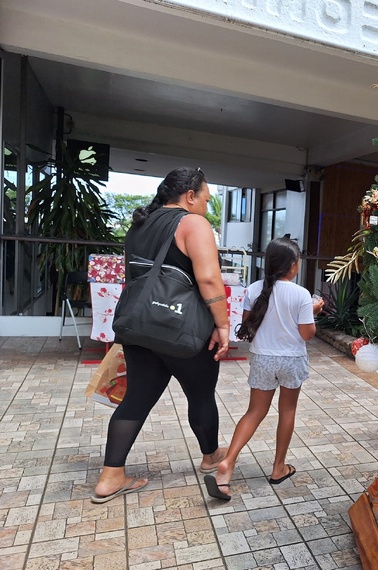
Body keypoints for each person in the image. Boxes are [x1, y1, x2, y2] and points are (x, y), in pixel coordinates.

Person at [92, 167, 230, 503]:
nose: (206, 208)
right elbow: (209, 280)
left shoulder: (140, 224)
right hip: (181, 328)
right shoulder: (193, 223)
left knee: (137, 398)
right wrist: (223, 326)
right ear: (190, 196)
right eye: (206, 200)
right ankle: (210, 456)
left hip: (140, 326)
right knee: (200, 395)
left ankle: (111, 477)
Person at [204, 237, 323, 501]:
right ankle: (278, 468)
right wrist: (312, 311)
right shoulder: (301, 294)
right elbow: (306, 334)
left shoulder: (254, 290)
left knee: (254, 412)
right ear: (293, 266)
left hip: (262, 359)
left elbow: (249, 327)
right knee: (287, 410)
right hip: (291, 360)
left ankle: (228, 464)